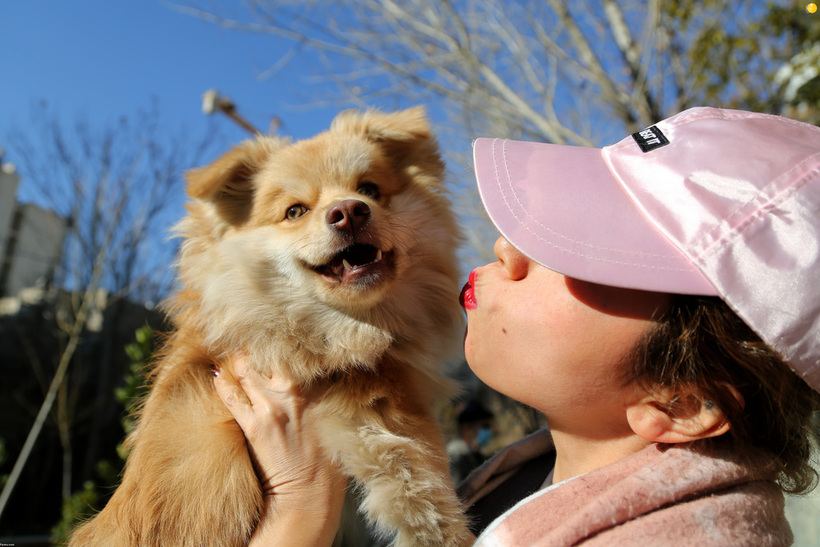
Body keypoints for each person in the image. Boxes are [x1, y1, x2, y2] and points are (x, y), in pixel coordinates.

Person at [213, 107, 820, 545]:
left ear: (683, 401)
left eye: (584, 257)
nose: (509, 250)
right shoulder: (523, 485)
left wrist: (295, 510)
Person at [447, 400, 495, 484]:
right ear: (467, 428)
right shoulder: (456, 454)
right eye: (485, 426)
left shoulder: (475, 454)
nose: (489, 431)